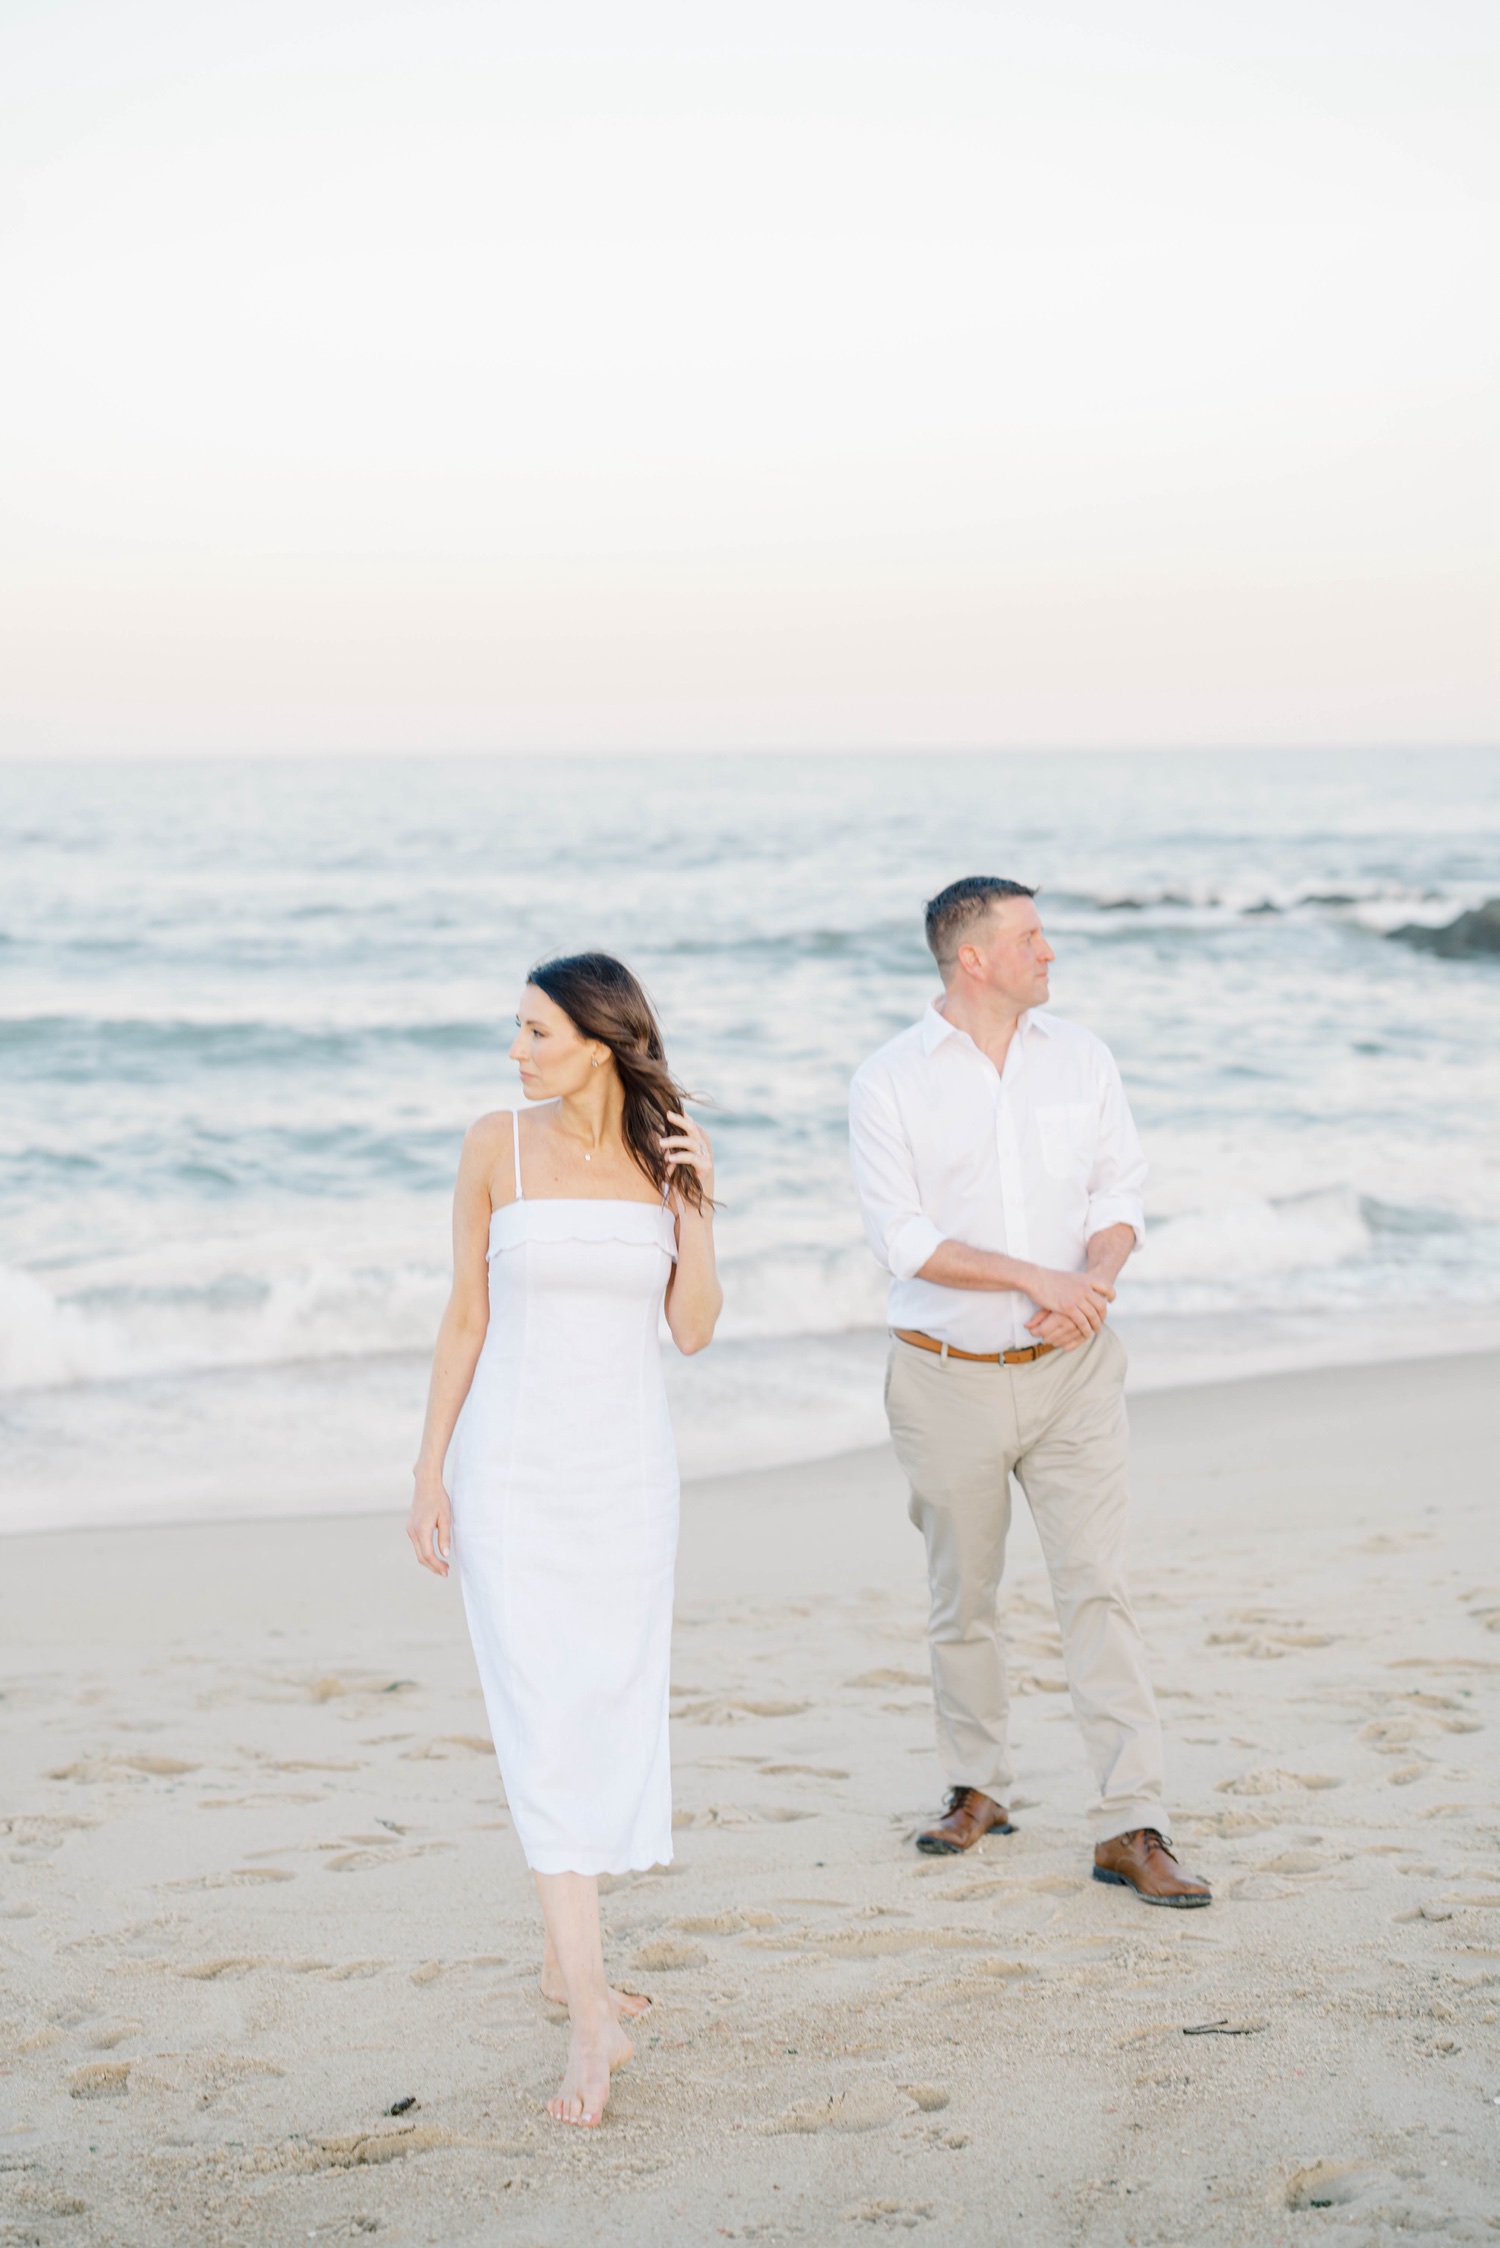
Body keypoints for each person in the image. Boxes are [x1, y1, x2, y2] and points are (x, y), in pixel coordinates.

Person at [848, 877, 1209, 1907]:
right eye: (1030, 936)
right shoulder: (890, 1082)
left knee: (1099, 1585)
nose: (1050, 951)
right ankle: (978, 1788)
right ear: (973, 958)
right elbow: (905, 1242)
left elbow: (1120, 1193)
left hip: (1075, 1371)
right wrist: (1033, 1279)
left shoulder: (1082, 1057)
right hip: (945, 1377)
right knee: (963, 1596)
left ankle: (1130, 1823)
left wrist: (1087, 1286)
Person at [407, 953, 722, 2126]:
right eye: (517, 1027)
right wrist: (429, 1468)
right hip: (510, 1476)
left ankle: (560, 1960)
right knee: (540, 1712)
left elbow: (692, 1327)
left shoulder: (666, 1152)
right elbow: (465, 1315)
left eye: (535, 1029)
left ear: (599, 1038)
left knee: (604, 1701)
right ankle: (592, 2010)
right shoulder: (496, 1141)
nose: (515, 1048)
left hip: (628, 1481)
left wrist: (697, 1198)